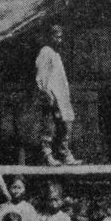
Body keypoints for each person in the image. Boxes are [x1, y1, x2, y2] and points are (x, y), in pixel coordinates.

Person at [35, 25, 79, 166]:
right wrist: (47, 93)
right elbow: (41, 75)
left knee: (64, 126)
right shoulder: (45, 52)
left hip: (61, 97)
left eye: (60, 37)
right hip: (52, 96)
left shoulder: (56, 54)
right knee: (50, 127)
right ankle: (47, 156)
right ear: (49, 36)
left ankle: (64, 154)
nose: (59, 40)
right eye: (56, 36)